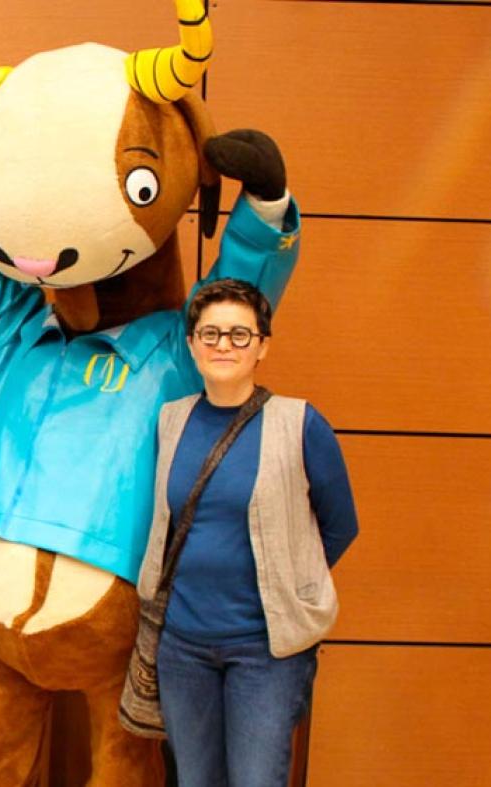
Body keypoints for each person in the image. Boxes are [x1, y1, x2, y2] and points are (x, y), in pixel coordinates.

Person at [134, 278, 359, 787]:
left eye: (239, 334)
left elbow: (340, 524)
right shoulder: (171, 421)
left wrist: (292, 586)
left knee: (257, 780)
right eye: (210, 334)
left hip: (267, 650)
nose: (223, 346)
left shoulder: (299, 423)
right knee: (194, 780)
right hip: (182, 645)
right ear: (192, 344)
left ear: (262, 346)